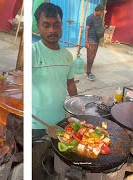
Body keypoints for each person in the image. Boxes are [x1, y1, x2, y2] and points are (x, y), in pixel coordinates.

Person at [32, 2, 78, 138]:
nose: (52, 30)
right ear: (38, 26)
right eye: (46, 25)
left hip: (60, 121)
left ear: (61, 25)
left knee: (55, 156)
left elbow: (70, 83)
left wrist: (77, 107)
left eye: (57, 24)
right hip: (36, 124)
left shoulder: (67, 56)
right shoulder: (33, 52)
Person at [85, 4, 105, 81]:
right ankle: (88, 72)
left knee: (93, 57)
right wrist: (86, 41)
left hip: (96, 40)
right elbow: (86, 30)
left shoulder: (99, 17)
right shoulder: (90, 17)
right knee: (90, 57)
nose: (102, 13)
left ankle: (89, 71)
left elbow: (99, 27)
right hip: (91, 39)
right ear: (97, 11)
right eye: (101, 12)